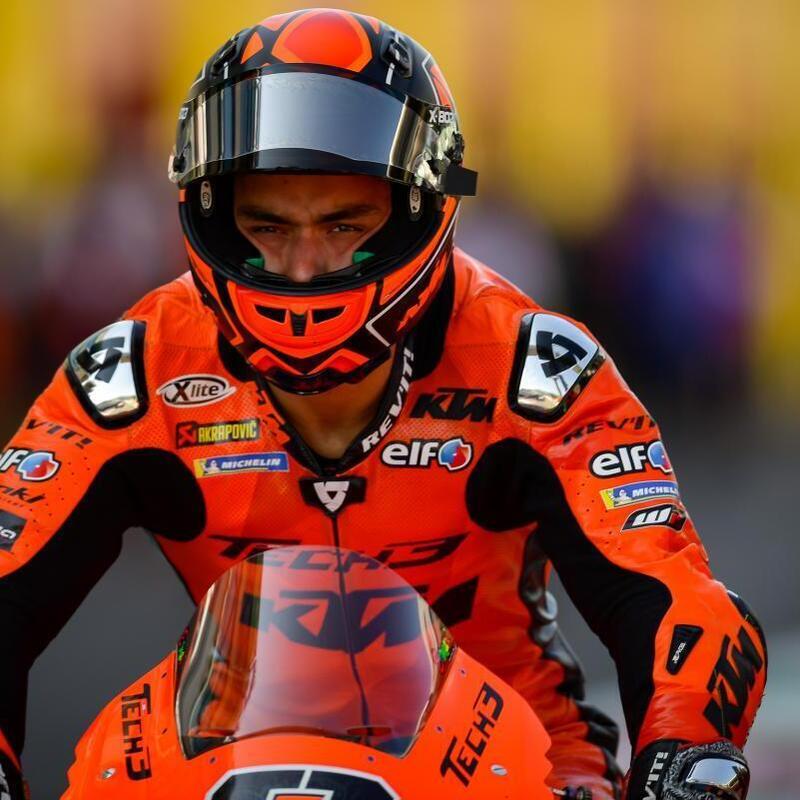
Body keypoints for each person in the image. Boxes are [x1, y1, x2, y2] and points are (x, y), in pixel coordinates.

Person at [0, 9, 765, 799]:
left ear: (420, 207)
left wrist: (682, 747)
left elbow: (675, 595)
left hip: (513, 771)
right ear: (209, 212)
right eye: (266, 226)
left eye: (344, 226)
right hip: (224, 765)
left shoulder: (535, 369)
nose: (302, 267)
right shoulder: (133, 372)